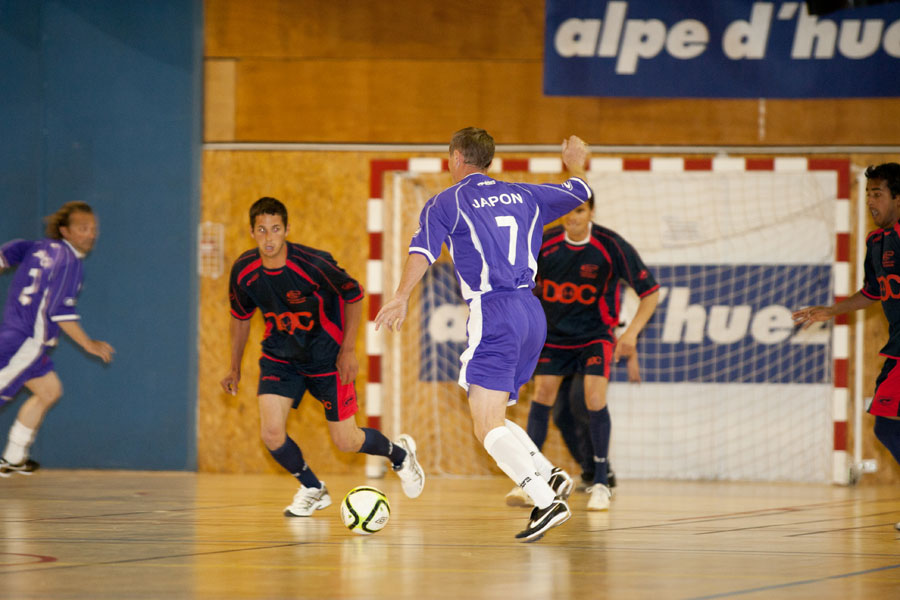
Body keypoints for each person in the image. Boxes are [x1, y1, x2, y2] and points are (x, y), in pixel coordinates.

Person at [374, 127, 593, 542]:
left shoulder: (446, 201)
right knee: (492, 411)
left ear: (456, 157)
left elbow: (421, 251)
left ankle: (544, 500)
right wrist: (575, 164)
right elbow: (578, 190)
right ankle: (550, 475)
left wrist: (401, 296)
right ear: (488, 159)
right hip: (532, 312)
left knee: (485, 424)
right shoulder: (526, 195)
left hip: (494, 311)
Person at [220, 197, 424, 517]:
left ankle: (400, 455)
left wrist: (348, 350)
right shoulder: (244, 271)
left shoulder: (312, 264)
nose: (269, 237)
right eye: (261, 230)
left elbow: (354, 295)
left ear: (287, 230)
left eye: (275, 229)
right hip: (280, 357)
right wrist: (234, 366)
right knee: (271, 433)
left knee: (346, 441)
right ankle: (313, 488)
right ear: (252, 232)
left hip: (327, 357)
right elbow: (240, 316)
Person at [504, 198, 659, 511]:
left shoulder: (610, 245)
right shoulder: (543, 243)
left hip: (594, 336)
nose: (572, 218)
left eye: (580, 211)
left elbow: (650, 293)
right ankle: (531, 482)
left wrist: (630, 334)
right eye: (568, 211)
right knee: (543, 396)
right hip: (554, 336)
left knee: (592, 399)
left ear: (591, 213)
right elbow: (516, 284)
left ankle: (601, 481)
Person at [793, 162, 900, 530]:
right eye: (868, 193)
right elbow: (872, 292)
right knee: (885, 427)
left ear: (898, 198)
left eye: (877, 194)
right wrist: (831, 310)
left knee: (886, 425)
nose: (870, 201)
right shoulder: (876, 242)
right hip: (896, 344)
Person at [0, 202, 115, 476]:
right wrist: (89, 344)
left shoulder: (35, 247)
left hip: (23, 339)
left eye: (93, 229)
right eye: (83, 228)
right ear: (65, 231)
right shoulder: (70, 262)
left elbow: (5, 256)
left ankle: (14, 457)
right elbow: (59, 312)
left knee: (49, 391)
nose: (90, 234)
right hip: (25, 341)